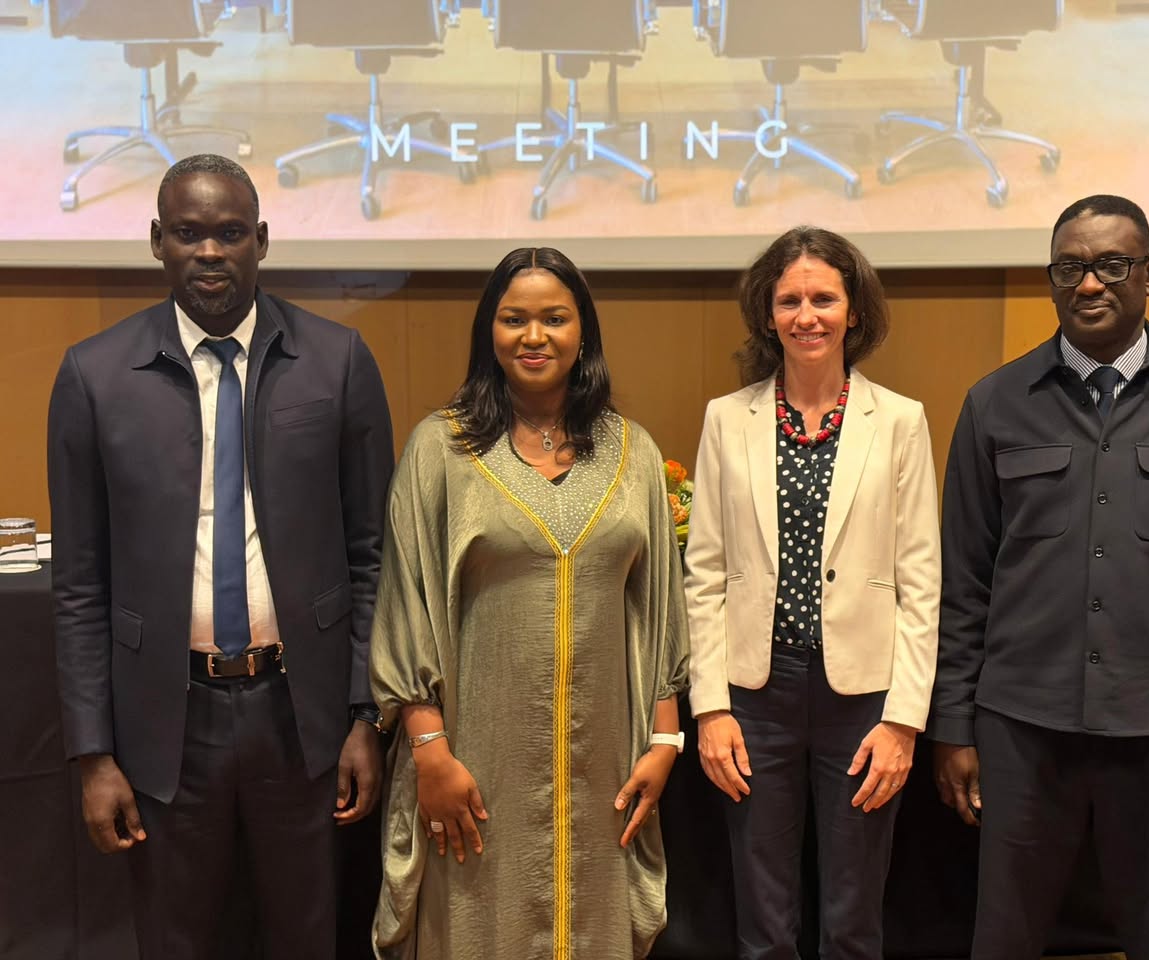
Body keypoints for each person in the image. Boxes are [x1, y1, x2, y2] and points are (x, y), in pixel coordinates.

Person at [47, 154, 395, 960]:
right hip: (164, 725)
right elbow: (79, 588)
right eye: (189, 233)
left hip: (299, 717)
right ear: (157, 242)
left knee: (307, 935)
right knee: (176, 941)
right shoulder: (94, 376)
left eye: (230, 233)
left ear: (263, 241)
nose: (210, 251)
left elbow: (372, 555)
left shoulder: (337, 362)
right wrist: (92, 754)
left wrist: (361, 715)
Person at [931, 194, 1149, 959]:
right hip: (1020, 727)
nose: (1089, 284)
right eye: (1070, 267)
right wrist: (954, 724)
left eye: (1112, 265)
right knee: (1004, 938)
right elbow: (966, 583)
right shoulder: (994, 404)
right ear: (1052, 280)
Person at [368, 247, 690, 959]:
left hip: (608, 763)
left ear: (584, 333)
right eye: (514, 319)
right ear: (490, 331)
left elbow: (659, 606)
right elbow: (406, 607)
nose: (534, 336)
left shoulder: (631, 453)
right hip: (473, 764)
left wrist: (666, 742)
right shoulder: (440, 449)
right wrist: (430, 753)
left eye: (554, 318)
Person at [683, 226, 941, 959]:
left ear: (853, 310)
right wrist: (711, 708)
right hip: (754, 695)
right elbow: (704, 574)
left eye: (824, 298)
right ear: (767, 314)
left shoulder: (899, 421)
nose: (807, 316)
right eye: (789, 300)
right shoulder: (726, 419)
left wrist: (904, 721)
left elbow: (922, 582)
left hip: (863, 699)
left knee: (853, 920)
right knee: (762, 922)